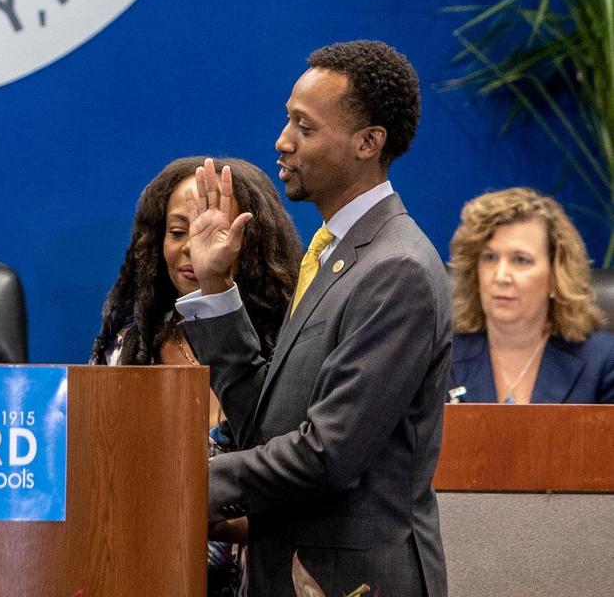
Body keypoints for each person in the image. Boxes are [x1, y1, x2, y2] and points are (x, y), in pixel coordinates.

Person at [180, 41, 452, 597]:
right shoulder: (336, 253)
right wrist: (215, 288)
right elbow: (268, 426)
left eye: (304, 127)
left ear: (367, 143)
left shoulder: (396, 268)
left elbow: (327, 455)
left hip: (354, 582)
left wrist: (186, 483)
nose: (282, 142)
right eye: (288, 120)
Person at [92, 155, 302, 597]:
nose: (192, 248)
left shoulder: (291, 348)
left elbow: (303, 491)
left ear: (254, 241)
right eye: (177, 231)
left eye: (214, 230)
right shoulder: (129, 351)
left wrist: (193, 511)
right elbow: (98, 486)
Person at [447, 187, 614, 404]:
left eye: (520, 260)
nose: (500, 276)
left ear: (556, 277)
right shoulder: (443, 358)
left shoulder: (602, 362)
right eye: (489, 257)